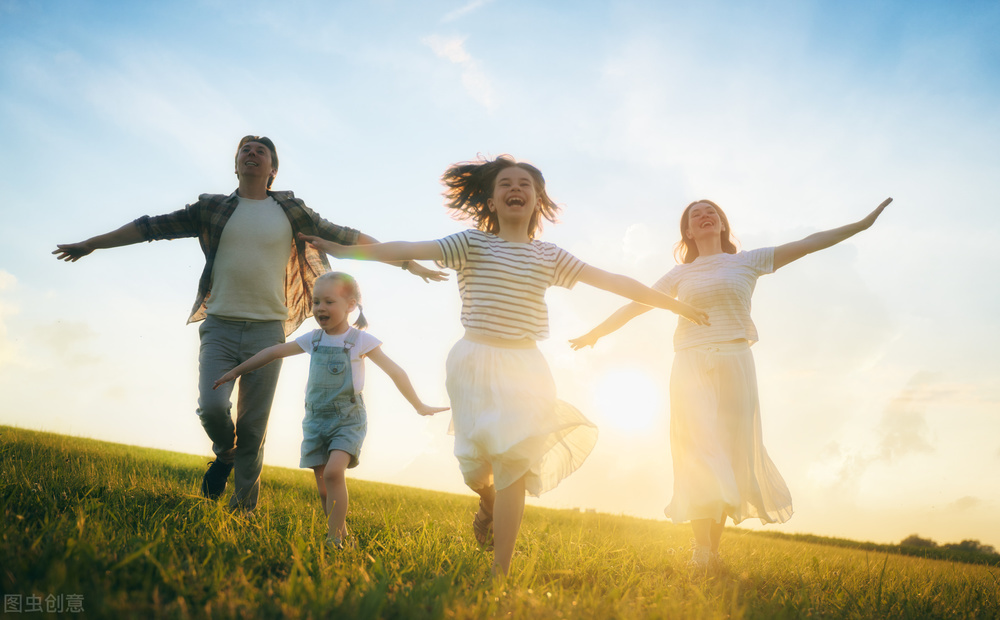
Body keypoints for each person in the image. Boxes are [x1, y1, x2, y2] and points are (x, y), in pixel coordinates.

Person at [297, 154, 710, 576]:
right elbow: (408, 248)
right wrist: (345, 250)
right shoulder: (472, 243)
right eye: (506, 184)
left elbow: (613, 281)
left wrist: (673, 303)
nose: (516, 189)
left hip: (525, 367)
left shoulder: (550, 255)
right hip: (473, 363)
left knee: (514, 463)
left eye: (525, 185)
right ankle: (487, 499)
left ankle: (501, 571)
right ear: (492, 201)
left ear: (537, 200)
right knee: (476, 466)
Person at [52, 135, 445, 512]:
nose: (251, 153)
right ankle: (224, 454)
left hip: (267, 329)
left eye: (260, 151)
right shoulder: (212, 208)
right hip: (220, 324)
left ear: (272, 169)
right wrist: (92, 243)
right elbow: (150, 226)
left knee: (254, 428)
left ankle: (244, 513)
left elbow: (349, 237)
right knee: (211, 406)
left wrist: (407, 263)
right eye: (245, 150)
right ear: (236, 164)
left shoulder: (292, 212)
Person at [570, 197, 893, 569]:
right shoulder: (679, 275)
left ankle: (710, 553)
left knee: (728, 455)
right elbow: (638, 302)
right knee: (699, 453)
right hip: (691, 363)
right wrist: (596, 332)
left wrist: (862, 224)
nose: (705, 216)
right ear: (688, 232)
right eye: (696, 214)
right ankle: (699, 551)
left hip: (736, 362)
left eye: (712, 212)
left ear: (722, 225)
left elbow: (810, 242)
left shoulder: (748, 261)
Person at [214, 271, 447, 547]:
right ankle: (342, 533)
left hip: (347, 419)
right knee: (325, 487)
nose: (320, 308)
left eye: (329, 301)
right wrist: (235, 372)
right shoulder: (313, 339)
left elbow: (395, 371)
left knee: (335, 472)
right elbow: (273, 352)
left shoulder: (360, 341)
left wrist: (418, 404)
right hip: (315, 419)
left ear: (351, 305)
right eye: (315, 302)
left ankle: (333, 538)